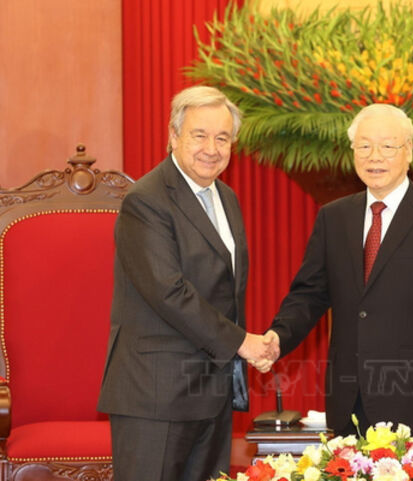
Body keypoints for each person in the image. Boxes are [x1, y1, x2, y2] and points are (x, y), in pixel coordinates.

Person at [265, 103, 413, 444]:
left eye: (387, 146)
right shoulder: (334, 218)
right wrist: (278, 337)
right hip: (349, 401)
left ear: (408, 151)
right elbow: (309, 294)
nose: (374, 156)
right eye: (364, 146)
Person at [97, 85, 278, 481]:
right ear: (173, 136)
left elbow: (225, 292)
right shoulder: (146, 200)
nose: (211, 148)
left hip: (211, 393)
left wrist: (245, 346)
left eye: (222, 138)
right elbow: (168, 291)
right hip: (156, 396)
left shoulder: (226, 198)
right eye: (199, 135)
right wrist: (242, 342)